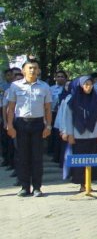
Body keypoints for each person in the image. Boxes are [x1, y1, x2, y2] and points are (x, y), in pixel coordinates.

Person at [5, 59, 53, 197]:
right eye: (30, 68)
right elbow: (11, 108)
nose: (32, 70)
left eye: (35, 68)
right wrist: (9, 125)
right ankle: (24, 187)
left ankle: (37, 187)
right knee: (22, 157)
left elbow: (48, 108)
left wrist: (48, 126)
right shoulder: (15, 86)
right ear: (23, 70)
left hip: (38, 124)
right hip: (21, 124)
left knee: (37, 157)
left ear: (38, 70)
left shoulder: (44, 86)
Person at [62, 76, 97, 191]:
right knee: (80, 160)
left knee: (91, 160)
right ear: (80, 86)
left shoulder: (96, 98)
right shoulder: (72, 99)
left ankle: (89, 183)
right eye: (86, 84)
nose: (88, 87)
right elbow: (68, 118)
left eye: (90, 84)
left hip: (93, 134)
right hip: (77, 134)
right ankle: (82, 184)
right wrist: (69, 134)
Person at [48, 70, 67, 162]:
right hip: (52, 113)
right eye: (58, 76)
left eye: (62, 76)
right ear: (55, 78)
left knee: (61, 135)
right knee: (52, 134)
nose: (60, 78)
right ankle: (52, 152)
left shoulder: (67, 88)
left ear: (65, 78)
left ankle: (60, 155)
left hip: (63, 114)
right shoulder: (50, 89)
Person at [1, 69, 15, 168]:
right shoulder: (2, 87)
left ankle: (12, 161)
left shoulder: (17, 87)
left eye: (11, 75)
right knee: (5, 139)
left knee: (13, 142)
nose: (10, 77)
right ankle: (6, 159)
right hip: (4, 113)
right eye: (8, 75)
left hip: (15, 116)